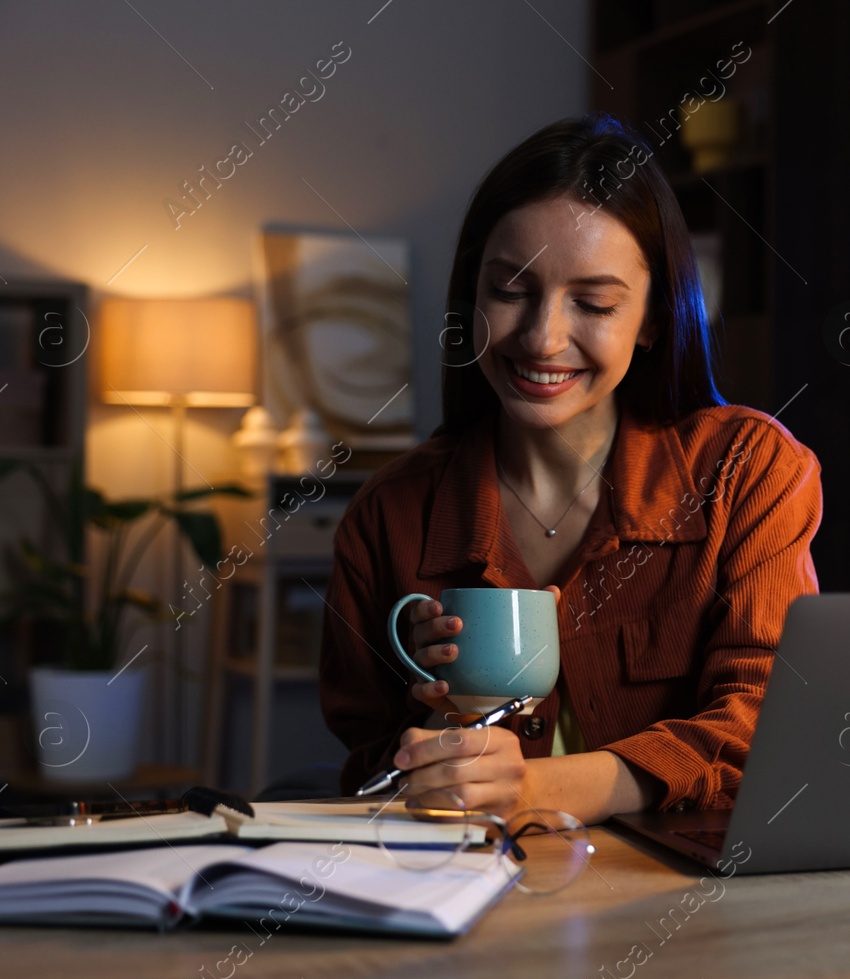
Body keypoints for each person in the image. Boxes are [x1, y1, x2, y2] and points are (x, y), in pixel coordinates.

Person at [320, 113, 822, 824]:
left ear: (651, 319)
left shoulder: (747, 470)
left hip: (685, 906)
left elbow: (762, 723)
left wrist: (532, 788)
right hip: (469, 901)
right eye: (511, 291)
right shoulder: (388, 515)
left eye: (593, 303)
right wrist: (436, 742)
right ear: (473, 298)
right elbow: (368, 772)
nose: (542, 337)